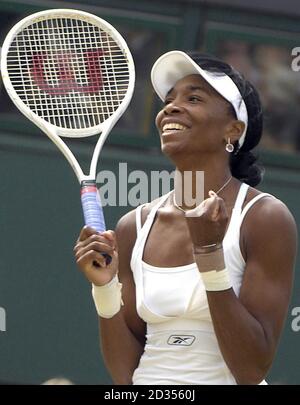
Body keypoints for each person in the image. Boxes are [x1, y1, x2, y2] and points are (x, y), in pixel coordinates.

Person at [74, 50, 297, 385]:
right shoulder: (133, 226)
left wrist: (210, 255)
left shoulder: (264, 217)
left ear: (232, 131)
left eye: (194, 98)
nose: (171, 108)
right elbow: (125, 375)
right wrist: (104, 289)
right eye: (169, 99)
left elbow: (251, 368)